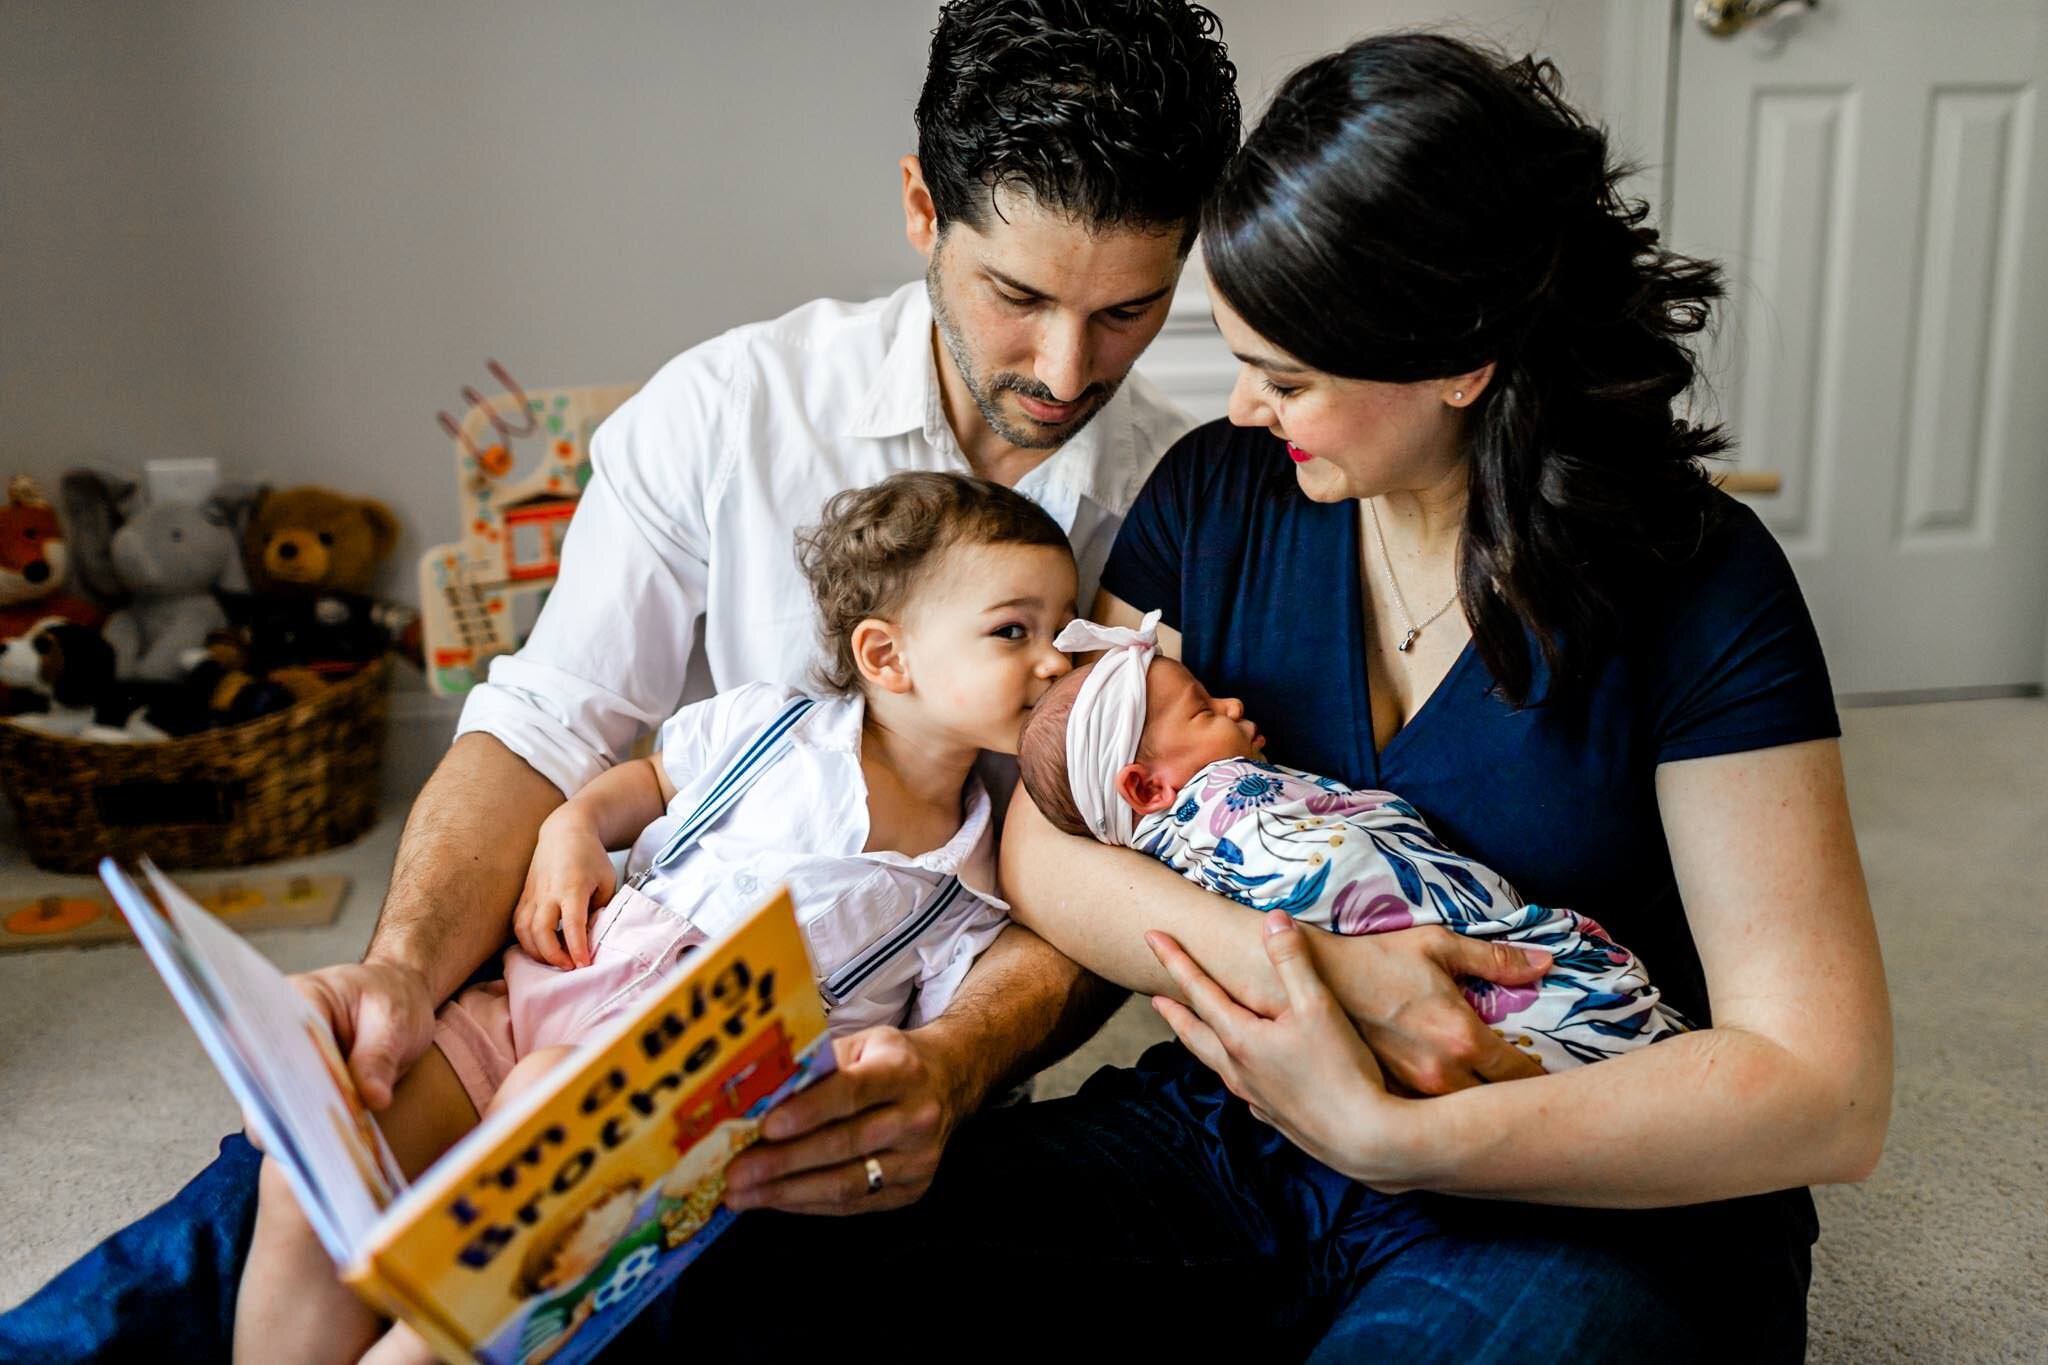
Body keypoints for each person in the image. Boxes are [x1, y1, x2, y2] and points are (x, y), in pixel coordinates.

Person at [0, 4, 1292, 1357]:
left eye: (1129, 311)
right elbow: (548, 728)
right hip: (589, 983)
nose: (1065, 369)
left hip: (824, 1089)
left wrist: (959, 1068)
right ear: (923, 207)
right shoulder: (727, 413)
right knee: (290, 1163)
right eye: (1017, 298)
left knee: (575, 1285)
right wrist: (401, 970)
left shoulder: (1182, 504)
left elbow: (1113, 860)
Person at [599, 32, 1887, 1361]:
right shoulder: (1219, 496)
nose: (1248, 410)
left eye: (1289, 378)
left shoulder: (1696, 581)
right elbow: (1051, 830)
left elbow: (1824, 1089)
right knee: (741, 1274)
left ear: (1459, 359)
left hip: (1568, 1193)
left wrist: (1401, 1133)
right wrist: (1320, 975)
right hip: (1240, 1133)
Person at [234, 472, 1078, 1364]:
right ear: (886, 656)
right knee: (311, 1164)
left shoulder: (970, 877)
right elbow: (652, 782)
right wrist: (573, 827)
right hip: (538, 997)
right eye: (1014, 631)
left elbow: (925, 1044)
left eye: (1063, 632)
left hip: (660, 1108)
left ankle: (426, 1335)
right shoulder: (772, 725)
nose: (1056, 659)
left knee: (538, 1123)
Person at [1015, 612, 1692, 1073]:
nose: (1232, 706)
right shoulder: (1222, 815)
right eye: (1203, 708)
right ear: (1145, 788)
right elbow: (1333, 870)